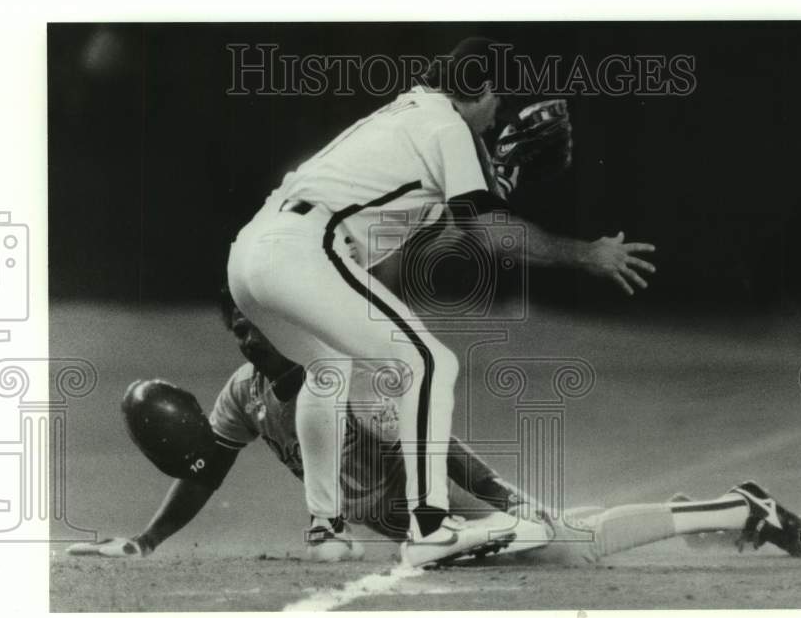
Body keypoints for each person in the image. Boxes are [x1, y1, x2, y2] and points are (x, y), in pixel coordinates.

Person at [225, 37, 658, 566]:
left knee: (328, 369)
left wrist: (494, 177)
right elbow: (491, 236)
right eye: (498, 100)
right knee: (427, 362)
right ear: (476, 89)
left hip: (251, 254)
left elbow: (443, 219)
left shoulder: (413, 113)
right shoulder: (447, 127)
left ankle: (326, 530)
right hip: (301, 250)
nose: (499, 114)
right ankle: (430, 525)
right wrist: (588, 254)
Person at [67, 307, 801, 563]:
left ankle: (740, 512)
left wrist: (505, 496)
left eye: (258, 328)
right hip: (407, 526)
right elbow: (205, 470)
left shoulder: (347, 382)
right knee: (569, 542)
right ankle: (720, 509)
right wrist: (145, 540)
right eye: (239, 328)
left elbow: (434, 449)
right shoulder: (246, 392)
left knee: (569, 550)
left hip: (437, 511)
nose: (247, 339)